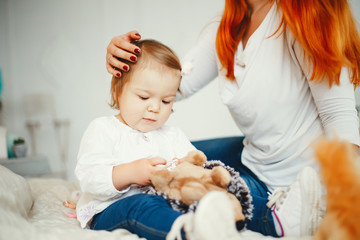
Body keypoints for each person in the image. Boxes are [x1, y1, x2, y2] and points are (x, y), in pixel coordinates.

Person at [105, 0, 360, 237]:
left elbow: (339, 114)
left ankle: (277, 214)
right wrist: (129, 61)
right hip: (254, 156)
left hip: (296, 178)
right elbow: (169, 86)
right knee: (160, 159)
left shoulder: (304, 17)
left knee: (182, 179)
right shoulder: (226, 28)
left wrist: (340, 198)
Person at [75, 39, 243, 240]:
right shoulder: (103, 129)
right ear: (117, 91)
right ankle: (188, 231)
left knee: (210, 189)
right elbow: (90, 178)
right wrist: (131, 173)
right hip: (109, 210)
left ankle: (250, 217)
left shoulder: (172, 135)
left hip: (163, 203)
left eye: (166, 101)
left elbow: (193, 165)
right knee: (141, 205)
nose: (155, 108)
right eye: (144, 98)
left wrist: (185, 167)